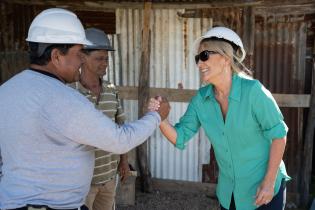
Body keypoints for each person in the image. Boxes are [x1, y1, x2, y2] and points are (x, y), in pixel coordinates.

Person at [0, 8, 169, 210]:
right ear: (56, 56)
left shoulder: (7, 90)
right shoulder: (65, 99)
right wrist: (156, 116)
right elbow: (121, 140)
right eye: (78, 53)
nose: (81, 60)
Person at [149, 26, 290, 210]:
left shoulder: (254, 92)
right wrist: (161, 118)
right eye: (197, 58)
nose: (199, 64)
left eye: (205, 55)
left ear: (225, 58)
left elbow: (279, 135)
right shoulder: (201, 99)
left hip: (264, 190)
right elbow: (180, 136)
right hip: (229, 193)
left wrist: (269, 182)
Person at [74, 28, 129, 210]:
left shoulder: (111, 90)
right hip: (82, 182)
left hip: (109, 177)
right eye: (99, 58)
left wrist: (123, 161)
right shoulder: (70, 92)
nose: (105, 63)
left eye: (106, 58)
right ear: (83, 57)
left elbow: (121, 127)